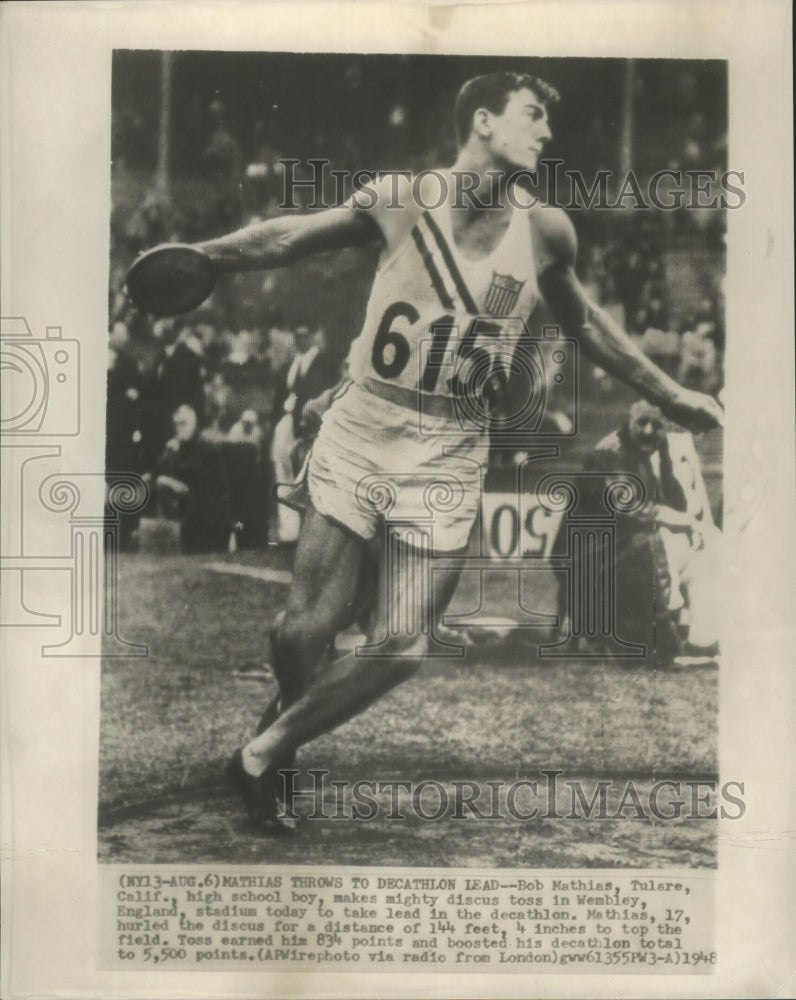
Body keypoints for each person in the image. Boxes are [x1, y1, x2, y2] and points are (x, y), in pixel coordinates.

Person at [151, 71, 722, 831]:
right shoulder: (401, 199)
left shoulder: (548, 231)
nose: (546, 133)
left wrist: (673, 392)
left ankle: (259, 753)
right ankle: (280, 748)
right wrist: (208, 257)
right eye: (532, 116)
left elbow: (587, 326)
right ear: (482, 121)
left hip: (451, 447)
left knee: (403, 645)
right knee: (301, 632)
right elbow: (289, 235)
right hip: (364, 424)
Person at [580, 400, 720, 666]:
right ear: (628, 423)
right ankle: (665, 633)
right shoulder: (612, 452)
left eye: (656, 426)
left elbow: (673, 501)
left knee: (706, 548)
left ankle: (701, 639)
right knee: (660, 542)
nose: (647, 431)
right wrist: (688, 523)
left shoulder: (651, 450)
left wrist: (693, 525)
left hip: (627, 542)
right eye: (641, 423)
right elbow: (636, 511)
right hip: (593, 550)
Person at [146, 404, 232, 554]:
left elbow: (197, 480)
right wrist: (168, 455)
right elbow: (153, 473)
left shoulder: (205, 449)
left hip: (208, 512)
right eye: (177, 424)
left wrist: (171, 467)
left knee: (163, 483)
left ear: (193, 424)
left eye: (183, 424)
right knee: (159, 483)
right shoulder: (176, 448)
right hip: (190, 507)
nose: (179, 428)